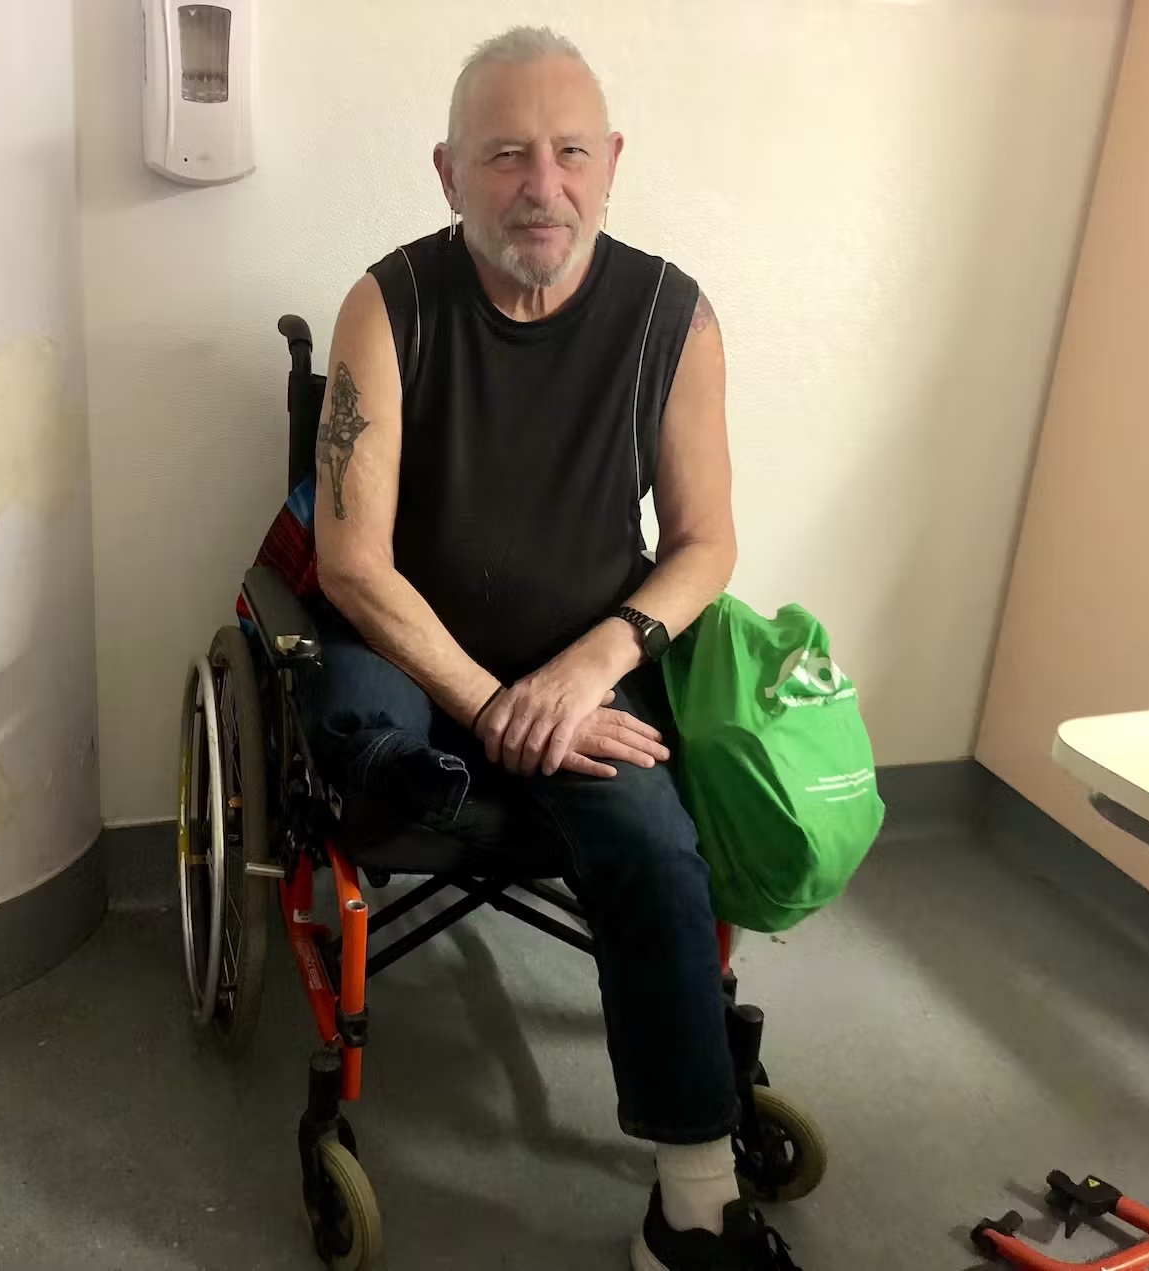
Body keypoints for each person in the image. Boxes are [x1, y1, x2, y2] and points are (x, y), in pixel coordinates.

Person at [303, 25, 800, 1271]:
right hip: (413, 642)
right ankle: (429, 769)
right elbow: (353, 563)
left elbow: (702, 543)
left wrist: (582, 676)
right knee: (358, 729)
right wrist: (493, 705)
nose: (542, 183)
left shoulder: (669, 317)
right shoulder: (389, 302)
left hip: (583, 660)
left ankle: (689, 1200)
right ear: (447, 170)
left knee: (650, 842)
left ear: (610, 162)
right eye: (506, 154)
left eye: (570, 151)